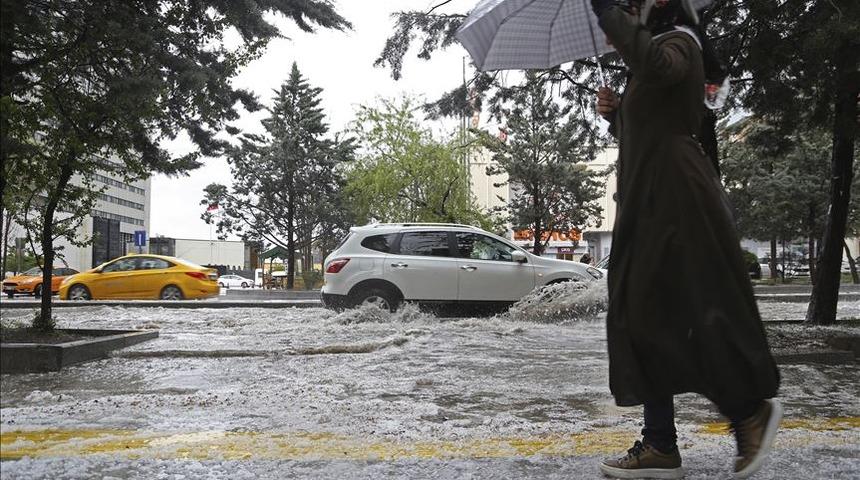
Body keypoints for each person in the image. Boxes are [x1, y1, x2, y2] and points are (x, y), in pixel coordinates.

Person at [589, 0, 782, 478]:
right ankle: (660, 444)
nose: (617, 28)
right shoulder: (654, 58)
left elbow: (660, 70)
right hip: (652, 200)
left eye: (627, 11)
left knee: (699, 312)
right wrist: (617, 116)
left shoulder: (680, 43)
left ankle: (748, 414)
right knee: (642, 316)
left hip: (676, 200)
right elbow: (654, 123)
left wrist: (603, 8)